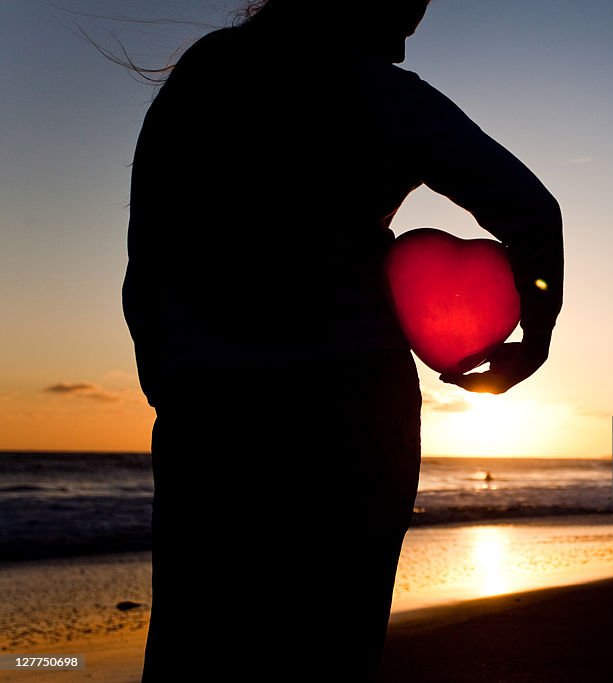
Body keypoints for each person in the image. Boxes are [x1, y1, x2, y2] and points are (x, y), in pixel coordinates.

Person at [122, 1, 563, 680]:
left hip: (211, 411)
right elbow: (532, 210)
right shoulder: (382, 94)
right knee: (334, 645)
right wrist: (532, 341)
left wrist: (176, 384)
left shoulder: (204, 79)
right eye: (402, 17)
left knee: (195, 643)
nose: (407, 47)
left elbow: (146, 266)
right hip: (353, 410)